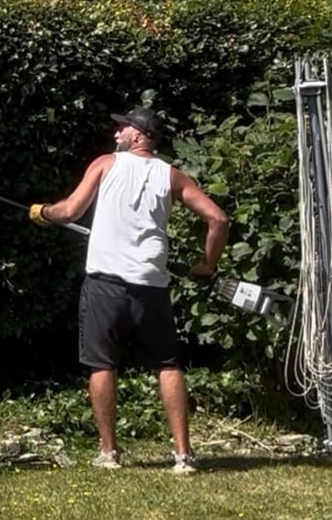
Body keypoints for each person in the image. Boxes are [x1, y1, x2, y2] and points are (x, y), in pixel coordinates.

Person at [29, 106, 229, 474]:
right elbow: (218, 219)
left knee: (101, 363)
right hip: (151, 286)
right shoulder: (172, 176)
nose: (116, 133)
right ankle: (184, 456)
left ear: (137, 135)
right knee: (167, 364)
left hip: (105, 283)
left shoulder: (106, 164)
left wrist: (43, 212)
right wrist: (206, 265)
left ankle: (109, 453)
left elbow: (71, 211)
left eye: (121, 128)